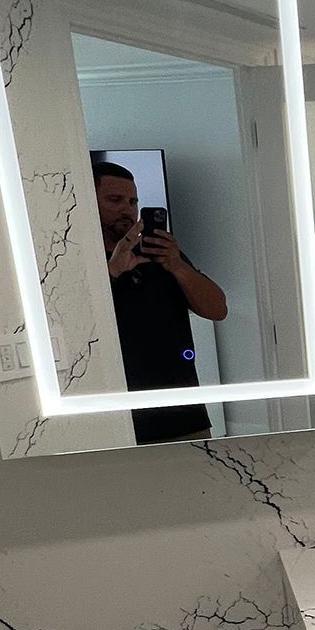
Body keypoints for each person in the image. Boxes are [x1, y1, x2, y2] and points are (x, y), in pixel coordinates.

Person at [92, 161, 228, 444]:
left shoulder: (161, 254)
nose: (127, 209)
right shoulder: (74, 258)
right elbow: (75, 328)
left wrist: (177, 265)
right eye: (114, 200)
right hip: (113, 420)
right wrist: (112, 272)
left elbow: (217, 309)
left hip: (183, 413)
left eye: (133, 201)